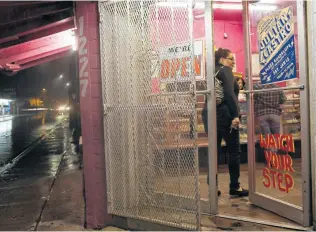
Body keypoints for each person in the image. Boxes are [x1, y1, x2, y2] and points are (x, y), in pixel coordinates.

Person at [202, 48, 248, 197]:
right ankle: (235, 186)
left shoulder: (211, 72)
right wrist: (236, 115)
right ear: (221, 59)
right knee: (234, 150)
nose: (233, 62)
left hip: (209, 113)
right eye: (230, 59)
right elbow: (229, 94)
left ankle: (212, 187)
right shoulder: (225, 70)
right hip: (224, 114)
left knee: (214, 151)